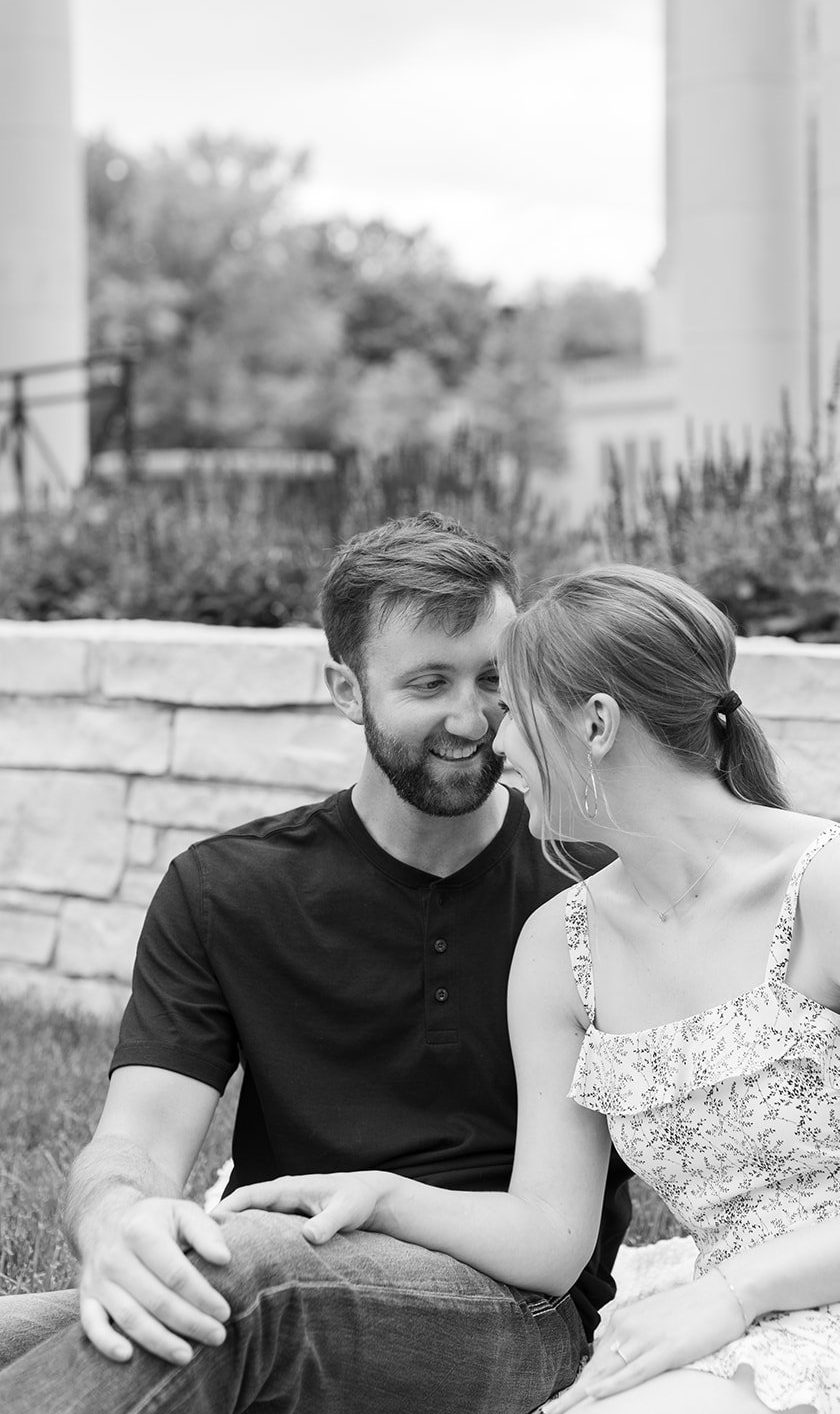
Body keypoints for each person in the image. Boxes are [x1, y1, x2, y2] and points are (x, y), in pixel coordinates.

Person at [216, 563, 840, 1412]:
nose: (494, 741)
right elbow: (550, 1237)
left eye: (512, 709)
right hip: (733, 1325)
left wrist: (731, 1293)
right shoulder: (561, 945)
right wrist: (380, 1195)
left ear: (594, 724)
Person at [0, 514, 631, 1414]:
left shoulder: (593, 888)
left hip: (515, 1310)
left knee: (245, 1270)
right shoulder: (225, 888)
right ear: (345, 687)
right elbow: (135, 1139)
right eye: (427, 682)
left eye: (493, 677)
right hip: (282, 1267)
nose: (472, 717)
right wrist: (117, 1222)